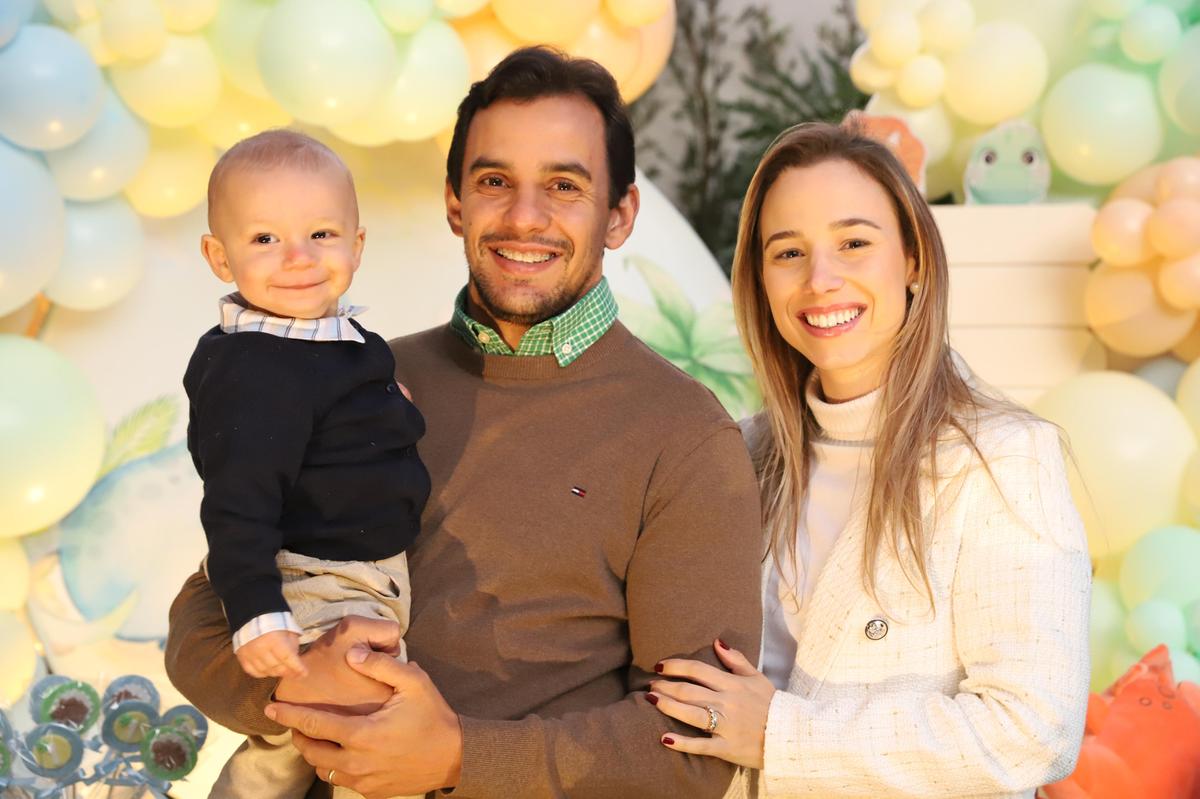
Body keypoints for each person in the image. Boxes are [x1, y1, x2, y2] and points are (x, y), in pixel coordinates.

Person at [165, 47, 764, 799]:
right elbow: (201, 613)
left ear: (620, 214)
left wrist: (458, 757)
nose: (524, 216)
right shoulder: (358, 376)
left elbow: (696, 743)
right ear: (454, 202)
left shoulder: (683, 435)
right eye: (494, 181)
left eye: (563, 185)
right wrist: (296, 690)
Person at [646, 122, 1092, 798]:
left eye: (854, 243)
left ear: (913, 259)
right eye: (788, 251)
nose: (821, 280)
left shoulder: (1002, 457)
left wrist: (782, 735)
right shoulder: (736, 454)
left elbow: (1032, 729)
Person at [185, 129, 431, 798]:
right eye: (264, 238)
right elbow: (237, 500)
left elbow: (370, 413)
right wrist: (258, 609)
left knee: (297, 742)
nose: (297, 257)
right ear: (218, 254)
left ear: (357, 245)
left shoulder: (339, 339)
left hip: (364, 576)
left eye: (321, 234)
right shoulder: (257, 368)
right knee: (367, 731)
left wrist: (394, 405)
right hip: (317, 579)